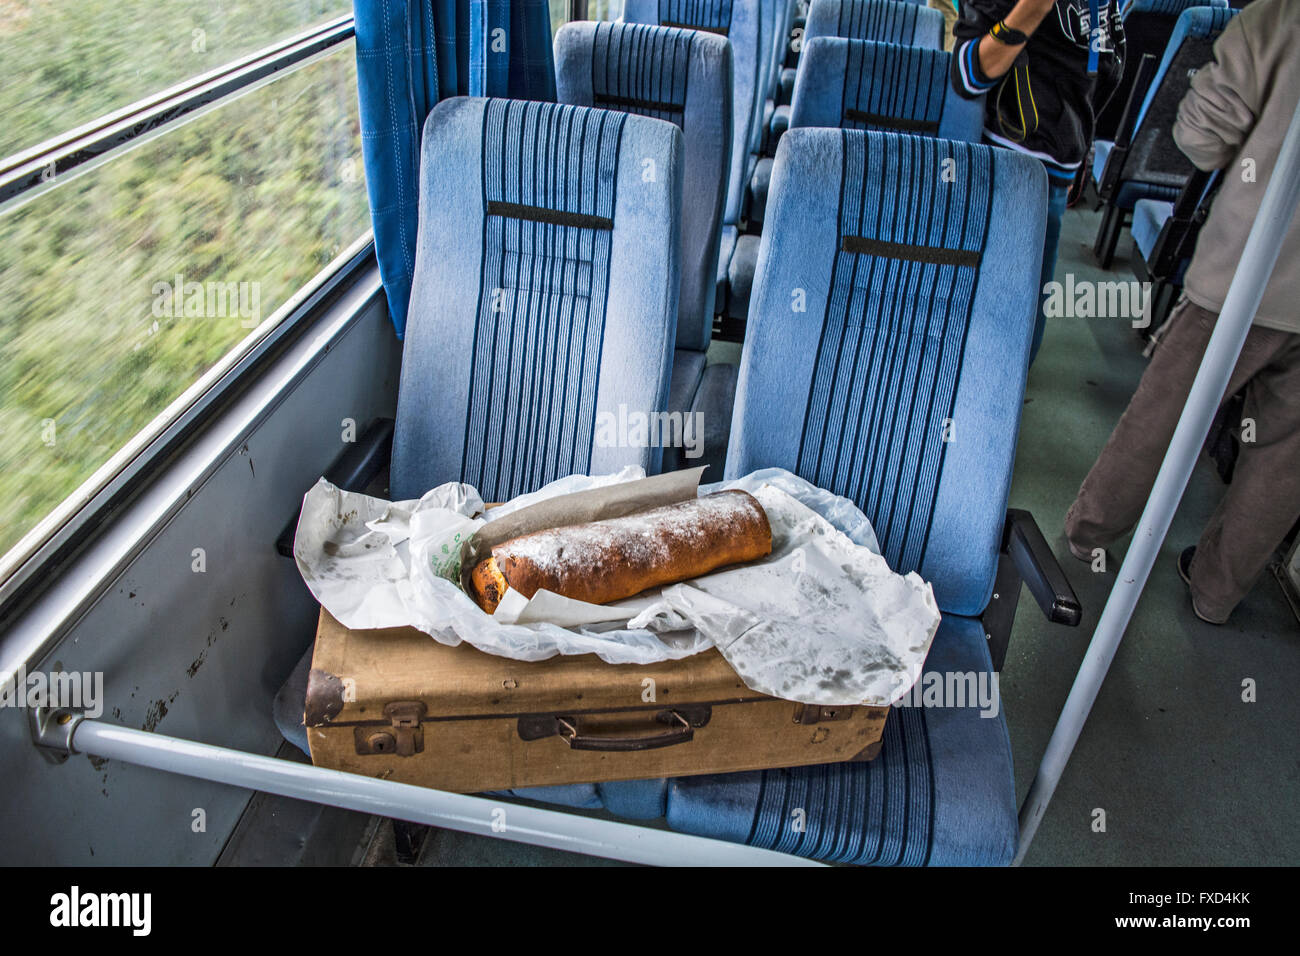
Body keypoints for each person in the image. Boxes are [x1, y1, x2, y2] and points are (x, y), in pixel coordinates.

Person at [1064, 0, 1300, 625]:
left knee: (1164, 416)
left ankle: (1089, 536)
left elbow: (1199, 138)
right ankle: (1217, 592)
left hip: (1251, 276)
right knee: (1284, 453)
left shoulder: (1276, 19)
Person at [950, 0, 1125, 363]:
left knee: (1012, 335)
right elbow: (968, 74)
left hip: (1045, 167)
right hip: (1006, 167)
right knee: (1001, 330)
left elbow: (1103, 74)